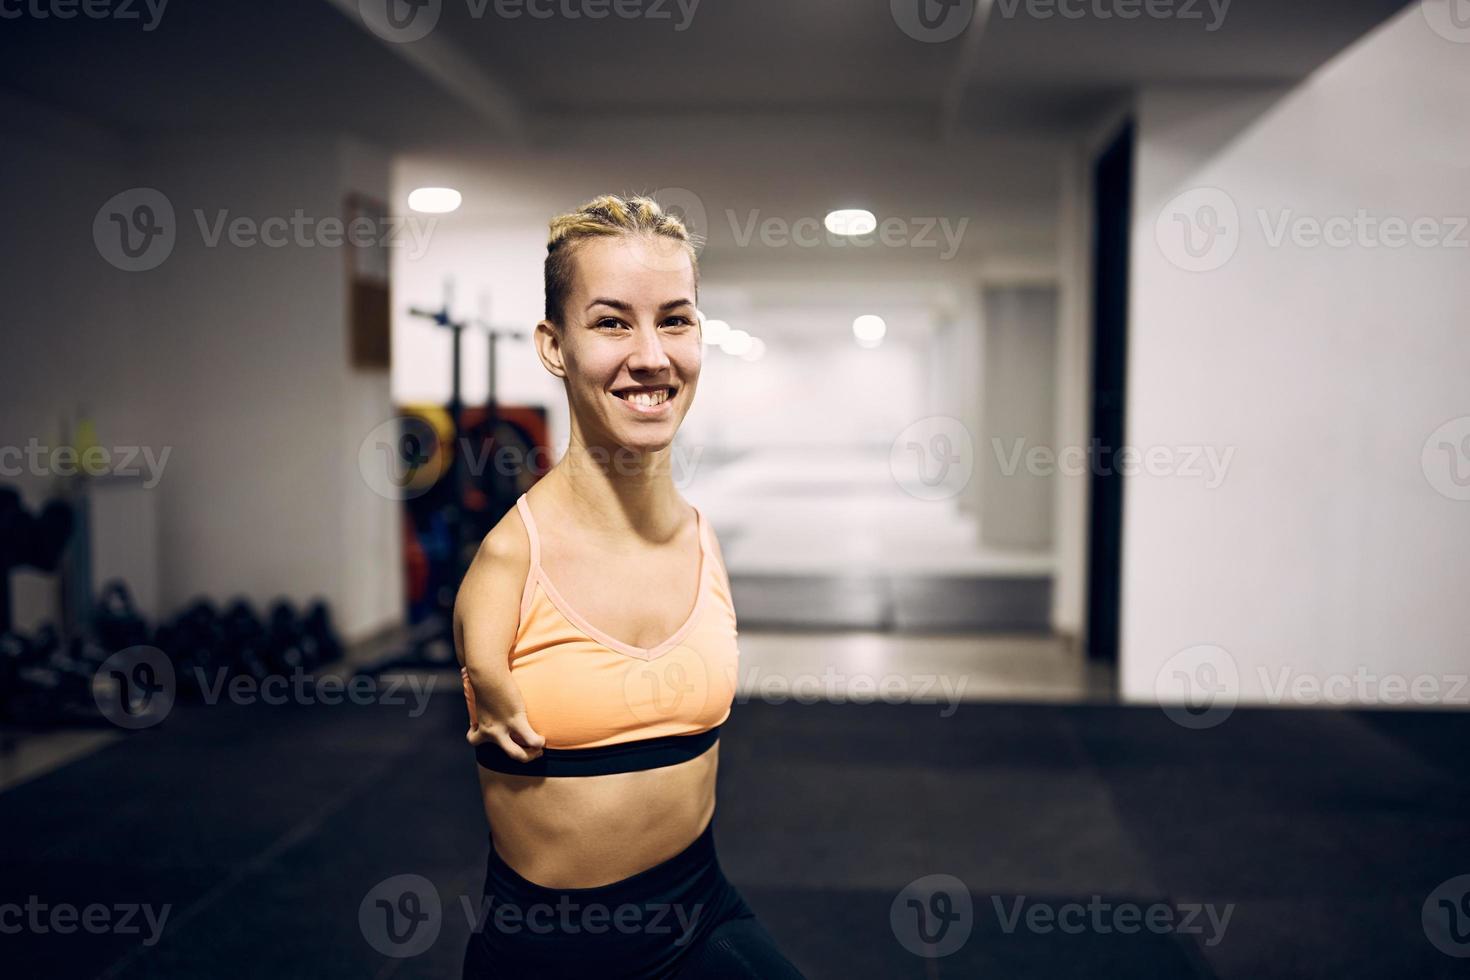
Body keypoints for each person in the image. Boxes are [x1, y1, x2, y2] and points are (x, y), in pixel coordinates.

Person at [455, 194, 806, 979]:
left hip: (700, 916)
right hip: (549, 952)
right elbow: (484, 691)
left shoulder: (703, 541)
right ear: (555, 345)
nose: (652, 355)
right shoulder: (512, 562)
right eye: (612, 322)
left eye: (675, 320)